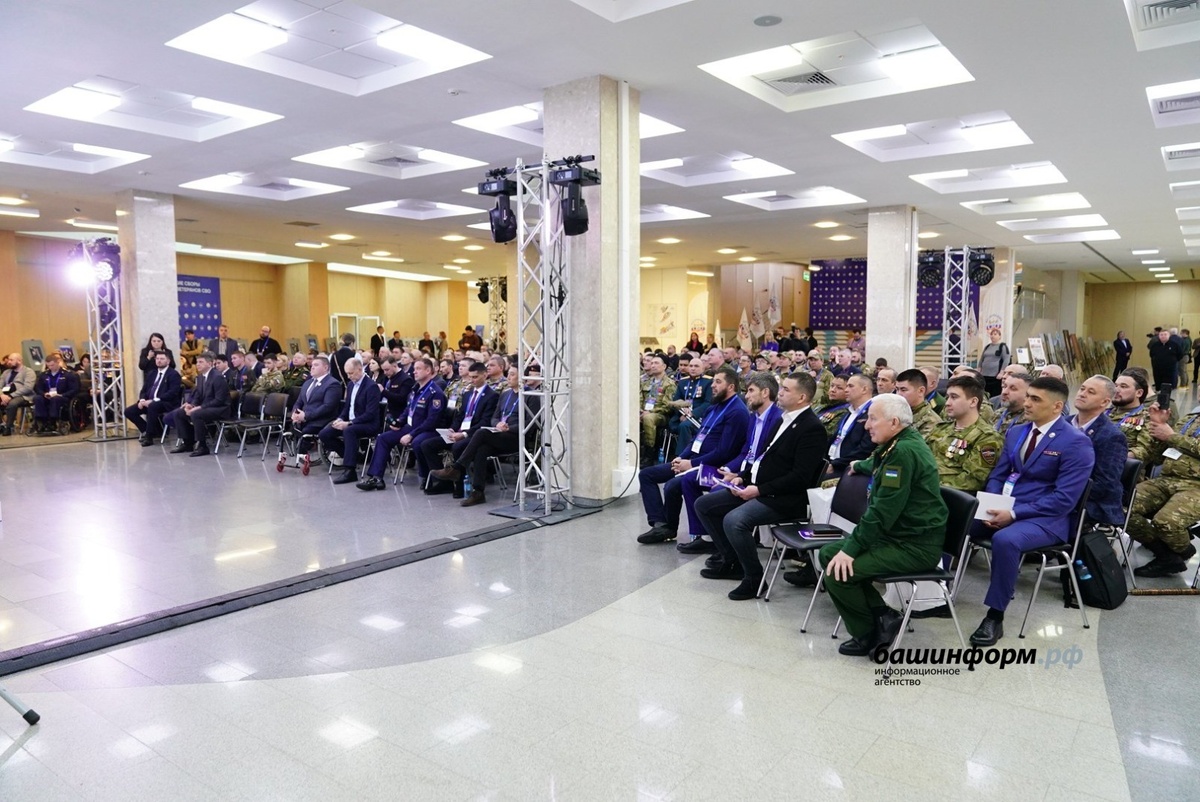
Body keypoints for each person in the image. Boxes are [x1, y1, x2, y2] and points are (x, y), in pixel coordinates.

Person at [819, 393, 949, 655]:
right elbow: (880, 462)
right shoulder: (899, 442)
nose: (867, 425)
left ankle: (867, 634)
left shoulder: (903, 452)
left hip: (914, 546)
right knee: (827, 554)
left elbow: (881, 513)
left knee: (837, 571)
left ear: (893, 422)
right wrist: (861, 464)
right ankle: (884, 615)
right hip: (897, 536)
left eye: (873, 419)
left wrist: (851, 550)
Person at [968, 377, 1094, 646]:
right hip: (1006, 508)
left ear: (1057, 406)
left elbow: (1064, 499)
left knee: (1006, 540)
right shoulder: (1017, 432)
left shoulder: (1076, 442)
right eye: (1028, 396)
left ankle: (995, 616)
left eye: (1036, 399)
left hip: (1046, 519)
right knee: (954, 520)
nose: (1026, 403)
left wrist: (1013, 514)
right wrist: (994, 505)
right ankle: (932, 593)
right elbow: (999, 474)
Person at [692, 372, 827, 601]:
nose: (779, 393)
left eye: (786, 389)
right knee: (704, 504)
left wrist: (759, 490)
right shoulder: (783, 420)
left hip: (785, 498)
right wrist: (742, 478)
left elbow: (800, 477)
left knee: (735, 521)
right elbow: (763, 458)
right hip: (761, 487)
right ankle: (732, 562)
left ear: (802, 397)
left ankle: (754, 579)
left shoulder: (812, 428)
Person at [635, 366, 749, 546]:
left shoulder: (737, 412)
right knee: (647, 475)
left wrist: (691, 464)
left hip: (714, 467)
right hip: (693, 460)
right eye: (713, 381)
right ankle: (662, 525)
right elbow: (697, 437)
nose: (713, 385)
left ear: (731, 386)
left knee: (673, 485)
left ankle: (701, 534)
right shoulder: (714, 407)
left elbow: (724, 452)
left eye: (718, 382)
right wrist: (682, 457)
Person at [431, 366, 540, 507]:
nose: (508, 377)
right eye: (508, 374)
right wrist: (497, 424)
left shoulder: (531, 396)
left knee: (481, 433)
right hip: (499, 434)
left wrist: (508, 428)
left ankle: (457, 467)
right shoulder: (505, 394)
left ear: (522, 378)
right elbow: (494, 417)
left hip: (517, 437)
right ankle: (478, 492)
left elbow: (532, 423)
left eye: (512, 374)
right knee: (482, 449)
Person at [1125, 402, 1200, 576]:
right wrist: (1158, 427)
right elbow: (1159, 456)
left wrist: (1172, 436)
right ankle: (1165, 555)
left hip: (1196, 486)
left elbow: (1173, 439)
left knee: (1166, 522)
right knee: (1121, 507)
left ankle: (1183, 549)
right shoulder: (1190, 418)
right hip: (1167, 479)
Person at [355, 357, 444, 489]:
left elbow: (432, 421)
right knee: (383, 438)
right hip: (411, 427)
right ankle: (376, 478)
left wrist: (411, 435)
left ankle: (427, 477)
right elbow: (408, 409)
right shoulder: (416, 389)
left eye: (418, 369)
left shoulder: (435, 392)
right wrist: (399, 422)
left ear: (428, 371)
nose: (414, 371)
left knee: (418, 442)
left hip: (426, 430)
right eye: (414, 369)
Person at [415, 361, 498, 497]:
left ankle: (460, 485)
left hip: (474, 434)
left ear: (484, 375)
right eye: (471, 377)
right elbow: (460, 416)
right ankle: (443, 482)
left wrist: (464, 434)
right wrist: (452, 429)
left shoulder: (492, 396)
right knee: (427, 445)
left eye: (475, 377)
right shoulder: (467, 394)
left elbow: (485, 422)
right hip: (459, 431)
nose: (472, 380)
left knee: (458, 447)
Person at [1070, 376, 1128, 532]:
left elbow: (1104, 484)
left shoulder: (1111, 436)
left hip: (1091, 502)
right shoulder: (1063, 424)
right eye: (1082, 389)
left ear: (1104, 402)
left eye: (1091, 392)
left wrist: (1063, 490)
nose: (1082, 394)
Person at [320, 358, 383, 484]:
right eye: (347, 374)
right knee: (324, 433)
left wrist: (349, 423)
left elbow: (370, 413)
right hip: (351, 422)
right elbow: (347, 407)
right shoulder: (350, 385)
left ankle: (350, 470)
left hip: (368, 424)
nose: (349, 376)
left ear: (360, 369)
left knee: (349, 431)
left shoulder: (371, 386)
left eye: (351, 373)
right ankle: (353, 456)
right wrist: (340, 419)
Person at [170, 352, 231, 457]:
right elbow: (198, 395)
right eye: (197, 362)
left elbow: (219, 400)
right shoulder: (200, 377)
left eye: (201, 362)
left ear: (210, 364)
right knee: (179, 413)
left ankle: (202, 446)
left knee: (196, 414)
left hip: (221, 409)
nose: (197, 364)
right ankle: (188, 443)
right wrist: (192, 405)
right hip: (207, 407)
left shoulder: (217, 377)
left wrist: (199, 407)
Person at [125, 350, 182, 445]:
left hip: (166, 402)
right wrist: (142, 400)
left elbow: (173, 392)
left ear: (168, 361)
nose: (159, 361)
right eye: (157, 359)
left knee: (153, 406)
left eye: (162, 359)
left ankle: (149, 437)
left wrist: (154, 400)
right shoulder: (152, 373)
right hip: (150, 402)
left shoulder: (173, 374)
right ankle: (147, 430)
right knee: (129, 411)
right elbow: (144, 390)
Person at [826, 373, 875, 478]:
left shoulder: (872, 412)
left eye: (850, 386)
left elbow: (865, 449)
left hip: (848, 469)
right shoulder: (849, 411)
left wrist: (836, 464)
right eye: (847, 386)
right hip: (832, 463)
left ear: (864, 389)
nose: (846, 390)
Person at [665, 356, 713, 458]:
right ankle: (667, 455)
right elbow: (676, 400)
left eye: (696, 366)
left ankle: (682, 457)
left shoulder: (708, 382)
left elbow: (708, 403)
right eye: (691, 366)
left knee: (684, 426)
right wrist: (682, 412)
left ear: (703, 368)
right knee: (671, 423)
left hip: (699, 417)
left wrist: (692, 413)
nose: (693, 368)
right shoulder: (683, 381)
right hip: (682, 414)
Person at [289, 356, 341, 438]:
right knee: (291, 430)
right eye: (312, 365)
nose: (312, 367)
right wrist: (295, 414)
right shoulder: (307, 383)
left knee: (305, 433)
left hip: (320, 420)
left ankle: (304, 447)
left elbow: (328, 406)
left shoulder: (332, 384)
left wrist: (306, 416)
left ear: (325, 367)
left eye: (316, 365)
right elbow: (299, 402)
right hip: (303, 420)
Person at [639, 354, 677, 465]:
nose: (653, 365)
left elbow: (667, 406)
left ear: (664, 366)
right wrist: (639, 411)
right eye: (652, 363)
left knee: (648, 418)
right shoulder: (645, 382)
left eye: (656, 363)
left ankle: (649, 454)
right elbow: (639, 399)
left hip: (661, 415)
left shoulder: (669, 384)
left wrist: (650, 412)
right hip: (644, 412)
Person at [31, 352, 81, 434]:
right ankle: (41, 421)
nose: (50, 367)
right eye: (48, 366)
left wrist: (62, 395)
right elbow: (38, 388)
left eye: (52, 365)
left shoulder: (68, 374)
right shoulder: (44, 375)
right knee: (37, 398)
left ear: (58, 362)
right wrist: (44, 394)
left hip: (62, 397)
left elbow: (74, 389)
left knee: (56, 399)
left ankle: (53, 421)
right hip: (47, 396)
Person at [1109, 369, 1154, 460]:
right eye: (1115, 385)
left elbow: (1144, 451)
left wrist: (1112, 458)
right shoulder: (1103, 412)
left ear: (1139, 393)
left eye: (1123, 386)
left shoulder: (1147, 418)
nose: (1116, 390)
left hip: (1119, 462)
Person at [894, 368, 942, 437]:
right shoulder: (898, 413)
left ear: (921, 391)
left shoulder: (931, 422)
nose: (898, 394)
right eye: (897, 389)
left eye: (903, 390)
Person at [0, 352, 37, 436]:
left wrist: (11, 396)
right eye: (8, 360)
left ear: (19, 361)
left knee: (12, 403)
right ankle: (1, 424)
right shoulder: (6, 372)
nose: (8, 362)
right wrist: (2, 395)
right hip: (6, 395)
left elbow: (28, 388)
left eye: (11, 360)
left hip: (24, 396)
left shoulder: (28, 372)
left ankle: (9, 427)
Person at [1148, 328, 1182, 397]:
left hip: (1170, 369)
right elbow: (1151, 354)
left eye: (1165, 334)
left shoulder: (1174, 345)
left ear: (1169, 335)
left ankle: (1167, 397)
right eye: (1161, 335)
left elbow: (1180, 355)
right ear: (1159, 336)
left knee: (1168, 386)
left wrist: (1173, 361)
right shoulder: (1155, 345)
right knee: (1158, 384)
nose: (1163, 336)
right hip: (1158, 369)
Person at [978, 328, 1011, 397]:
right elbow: (981, 359)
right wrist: (979, 369)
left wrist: (1002, 372)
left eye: (995, 334)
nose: (993, 336)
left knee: (994, 394)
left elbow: (1006, 359)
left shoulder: (1002, 346)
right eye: (991, 334)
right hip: (984, 374)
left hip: (995, 376)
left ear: (999, 336)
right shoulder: (987, 347)